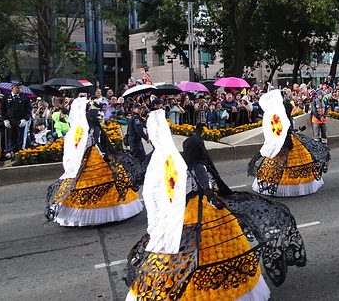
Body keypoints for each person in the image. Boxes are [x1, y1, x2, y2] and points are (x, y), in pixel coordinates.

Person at [123, 112, 307, 301]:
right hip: (198, 210)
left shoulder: (187, 166)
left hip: (190, 210)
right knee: (198, 249)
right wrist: (210, 197)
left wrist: (210, 197)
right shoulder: (192, 166)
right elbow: (203, 186)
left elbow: (200, 187)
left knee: (186, 249)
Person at [45, 98, 144, 226]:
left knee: (81, 183)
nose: (98, 115)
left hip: (87, 158)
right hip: (91, 157)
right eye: (91, 109)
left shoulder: (78, 128)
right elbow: (97, 143)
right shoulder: (86, 128)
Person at [249, 89, 330, 197]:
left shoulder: (280, 115)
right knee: (287, 164)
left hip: (286, 139)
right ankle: (288, 186)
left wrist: (295, 131)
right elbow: (285, 129)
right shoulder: (283, 115)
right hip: (286, 141)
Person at [2, 82, 32, 159]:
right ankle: (12, 152)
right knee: (12, 138)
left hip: (20, 120)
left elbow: (28, 110)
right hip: (11, 120)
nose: (19, 89)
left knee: (20, 138)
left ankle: (19, 154)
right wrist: (5, 120)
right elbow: (3, 110)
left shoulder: (24, 97)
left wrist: (25, 119)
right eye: (17, 88)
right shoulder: (6, 97)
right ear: (12, 88)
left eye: (19, 88)